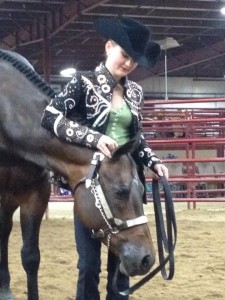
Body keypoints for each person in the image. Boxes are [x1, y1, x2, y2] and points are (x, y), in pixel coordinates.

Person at [41, 16, 169, 300]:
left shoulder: (136, 92)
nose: (128, 64)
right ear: (109, 46)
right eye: (124, 55)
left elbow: (137, 137)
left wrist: (153, 161)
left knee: (121, 266)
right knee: (88, 264)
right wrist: (94, 138)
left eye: (133, 61)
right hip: (93, 188)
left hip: (125, 184)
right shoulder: (82, 82)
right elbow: (49, 117)